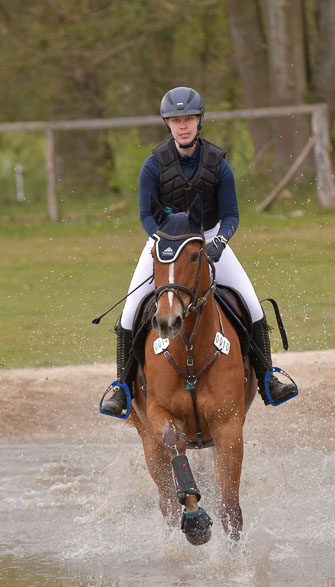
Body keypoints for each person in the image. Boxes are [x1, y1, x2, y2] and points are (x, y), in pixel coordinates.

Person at [102, 86, 297, 415]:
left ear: (200, 121)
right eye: (176, 120)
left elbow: (231, 214)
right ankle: (120, 386)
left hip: (208, 237)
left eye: (189, 119)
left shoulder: (218, 164)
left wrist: (219, 241)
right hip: (164, 241)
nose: (183, 125)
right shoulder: (153, 164)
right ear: (167, 123)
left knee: (251, 303)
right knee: (131, 306)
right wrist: (162, 240)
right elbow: (145, 216)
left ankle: (268, 379)